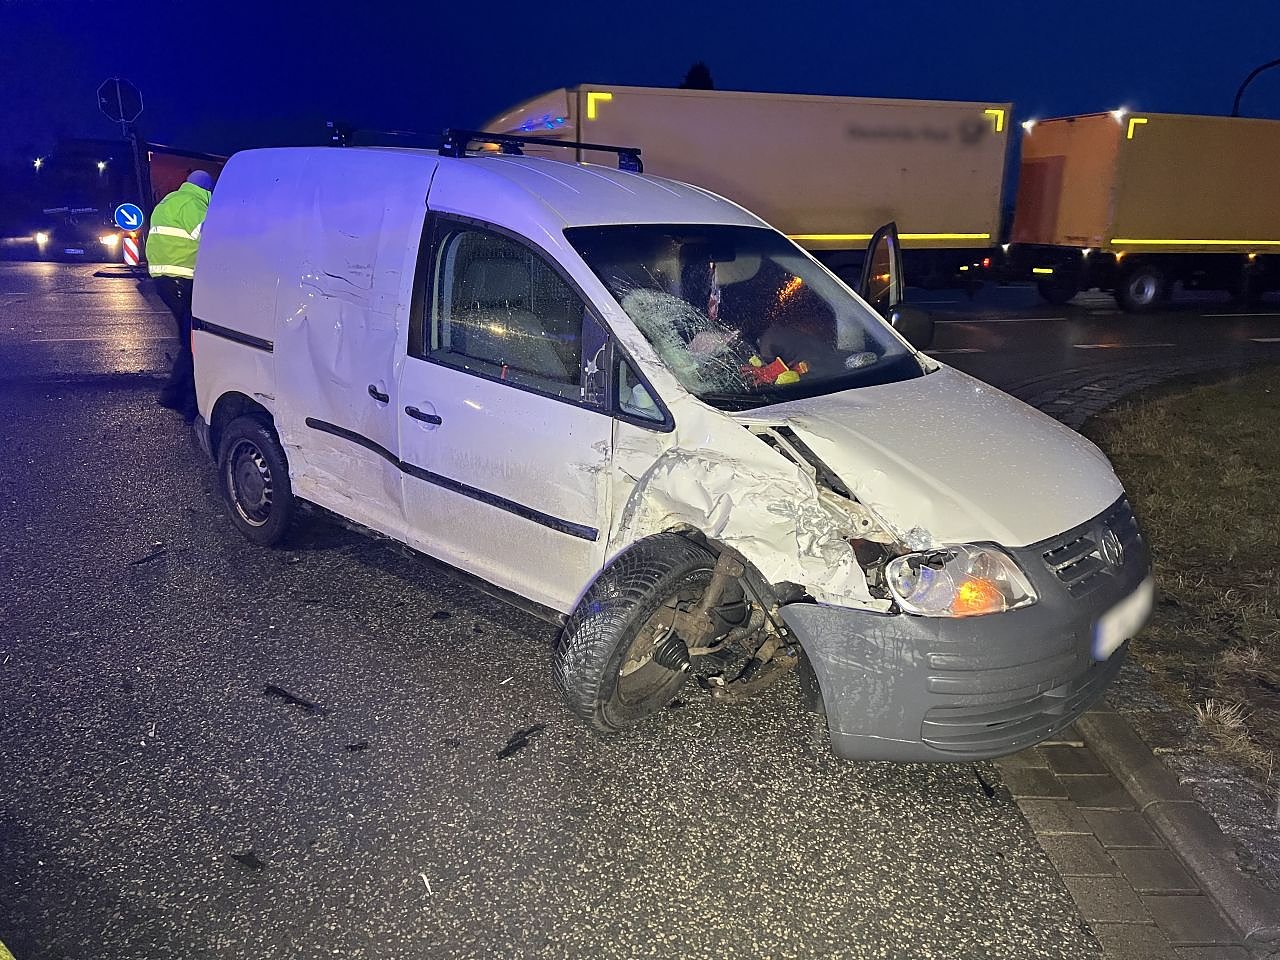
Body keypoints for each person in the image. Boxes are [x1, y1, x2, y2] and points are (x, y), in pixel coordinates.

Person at [146, 170, 214, 420]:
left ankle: (175, 395)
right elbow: (214, 239)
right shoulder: (195, 205)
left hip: (163, 280)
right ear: (207, 189)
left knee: (188, 336)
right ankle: (183, 401)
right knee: (193, 340)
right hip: (184, 279)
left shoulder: (167, 202)